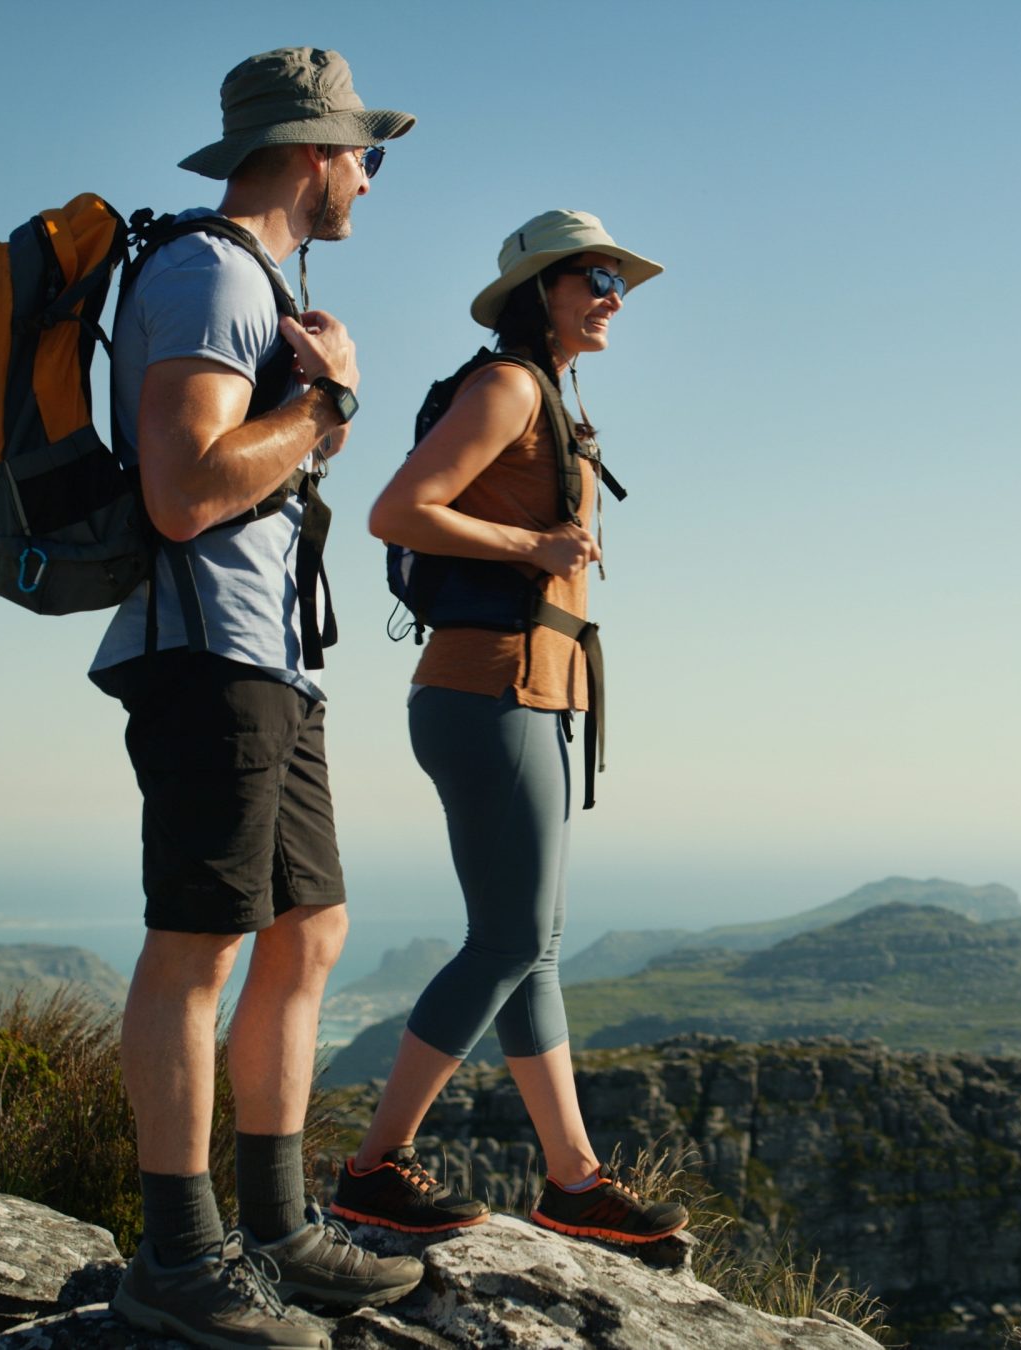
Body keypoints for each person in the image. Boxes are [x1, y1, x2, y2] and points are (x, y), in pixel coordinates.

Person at [93, 47, 419, 1350]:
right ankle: (179, 1255)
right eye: (369, 157)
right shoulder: (210, 275)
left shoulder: (252, 282)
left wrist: (317, 417)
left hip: (267, 658)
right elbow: (185, 488)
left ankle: (278, 1227)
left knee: (311, 929)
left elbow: (247, 464)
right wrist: (332, 399)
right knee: (200, 943)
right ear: (313, 152)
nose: (372, 183)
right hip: (208, 659)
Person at [339, 211, 689, 1246]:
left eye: (618, 280)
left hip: (527, 694)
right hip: (486, 690)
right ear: (539, 290)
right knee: (505, 941)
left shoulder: (548, 396)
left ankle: (573, 1181)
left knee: (531, 947)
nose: (612, 296)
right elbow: (399, 510)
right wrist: (531, 541)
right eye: (593, 277)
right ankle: (372, 1168)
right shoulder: (505, 387)